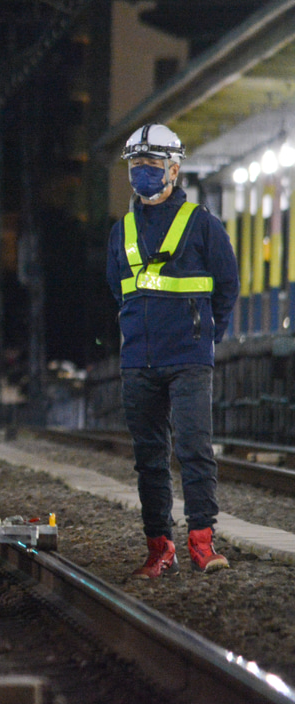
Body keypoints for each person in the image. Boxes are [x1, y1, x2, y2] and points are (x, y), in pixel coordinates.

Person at [106, 124, 238, 578]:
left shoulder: (202, 224)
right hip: (138, 360)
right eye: (136, 166)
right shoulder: (121, 230)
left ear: (174, 169)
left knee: (195, 449)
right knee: (149, 458)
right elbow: (116, 288)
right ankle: (159, 548)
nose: (142, 173)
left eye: (151, 166)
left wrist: (205, 336)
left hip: (188, 358)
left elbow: (228, 286)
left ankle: (203, 542)